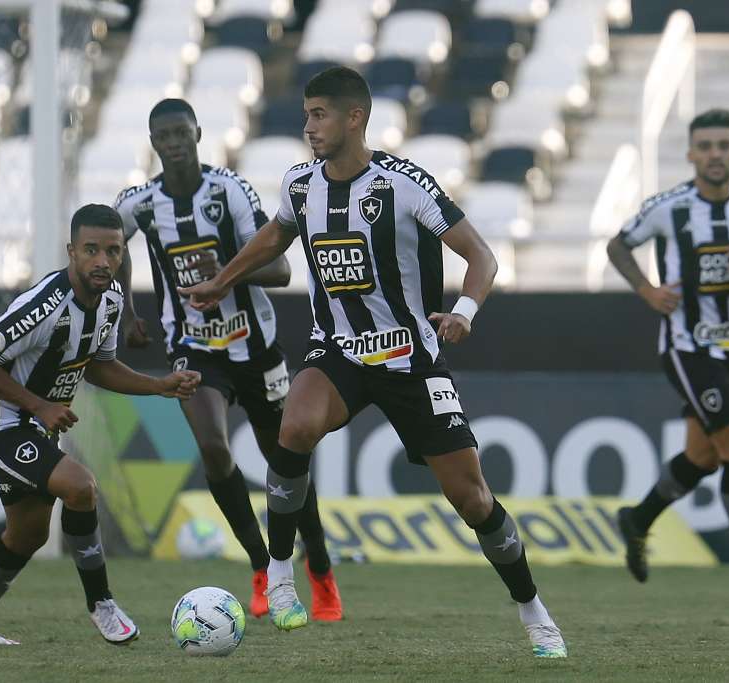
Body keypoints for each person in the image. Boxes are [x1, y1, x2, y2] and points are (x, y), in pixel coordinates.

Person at [180, 66, 567, 658]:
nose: (307, 127)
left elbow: (481, 256)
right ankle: (281, 576)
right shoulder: (302, 185)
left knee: (474, 501)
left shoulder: (402, 184)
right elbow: (273, 238)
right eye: (306, 114)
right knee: (295, 424)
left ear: (353, 117)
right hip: (338, 350)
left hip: (411, 359)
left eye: (318, 115)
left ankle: (535, 614)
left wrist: (464, 311)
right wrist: (221, 281)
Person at [114, 98, 342, 621]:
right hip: (192, 348)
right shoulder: (141, 203)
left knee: (286, 463)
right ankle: (262, 567)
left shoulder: (229, 191)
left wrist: (226, 276)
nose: (172, 144)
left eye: (180, 133)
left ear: (197, 132)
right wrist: (126, 313)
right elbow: (112, 246)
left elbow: (280, 271)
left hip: (254, 347)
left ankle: (321, 572)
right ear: (153, 144)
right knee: (214, 447)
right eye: (162, 137)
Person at [0, 204, 202, 645]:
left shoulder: (111, 299)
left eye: (113, 251)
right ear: (72, 252)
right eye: (92, 250)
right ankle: (102, 603)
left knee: (28, 535)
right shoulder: (43, 306)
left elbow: (98, 366)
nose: (103, 261)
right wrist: (38, 405)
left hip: (36, 429)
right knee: (80, 486)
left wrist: (159, 386)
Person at [606, 108, 729, 601]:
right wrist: (647, 291)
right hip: (688, 346)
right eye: (706, 146)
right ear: (691, 154)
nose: (715, 154)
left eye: (723, 145)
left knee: (703, 455)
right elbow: (618, 245)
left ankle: (637, 518)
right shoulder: (669, 206)